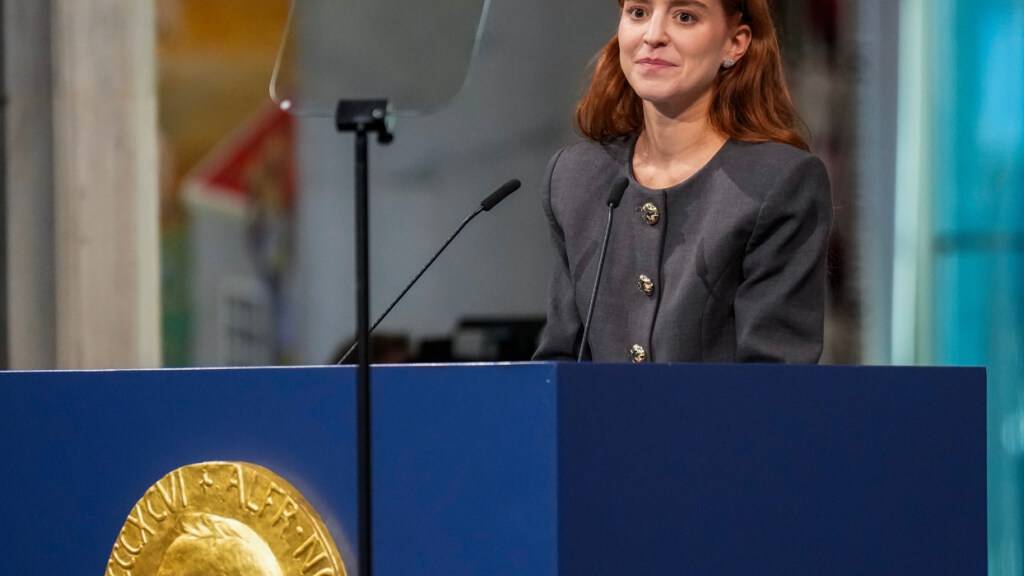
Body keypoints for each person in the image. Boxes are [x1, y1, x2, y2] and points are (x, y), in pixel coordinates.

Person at [534, 0, 832, 363]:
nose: (653, 35)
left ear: (735, 43)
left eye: (685, 17)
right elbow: (558, 366)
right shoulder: (576, 177)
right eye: (638, 13)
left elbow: (774, 379)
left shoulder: (779, 182)